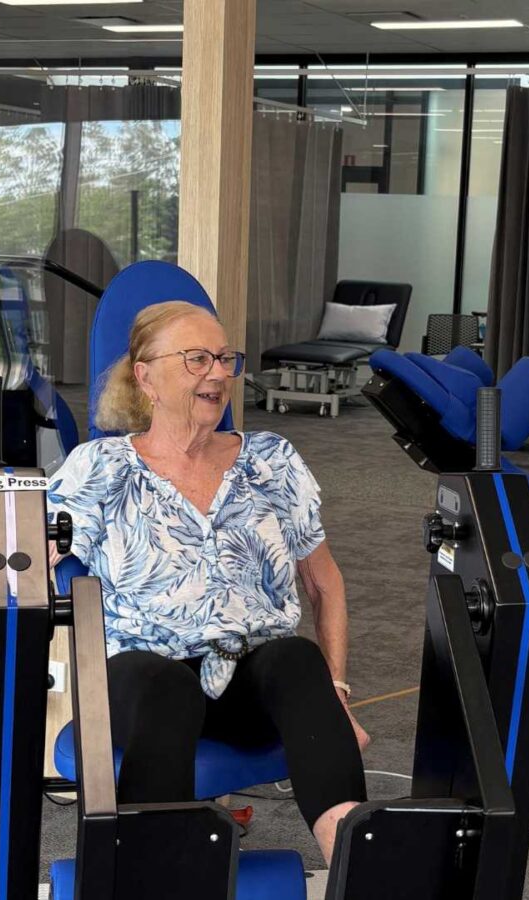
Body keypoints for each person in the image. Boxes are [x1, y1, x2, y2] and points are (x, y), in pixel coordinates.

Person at [47, 300, 369, 864]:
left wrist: (336, 691)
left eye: (225, 359)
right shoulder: (98, 467)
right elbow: (23, 556)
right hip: (142, 680)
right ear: (145, 375)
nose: (218, 373)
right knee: (165, 686)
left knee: (295, 659)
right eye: (197, 359)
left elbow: (324, 584)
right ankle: (154, 877)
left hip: (248, 680)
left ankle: (358, 867)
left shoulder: (272, 460)